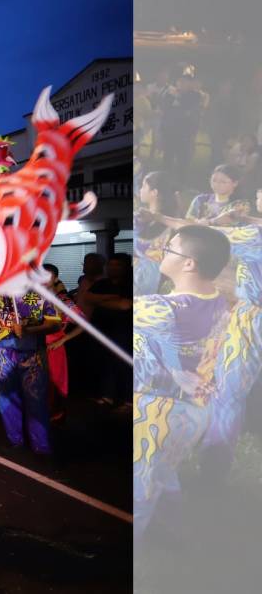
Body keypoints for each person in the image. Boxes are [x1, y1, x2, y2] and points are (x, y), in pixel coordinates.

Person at [133, 225, 231, 538]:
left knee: (141, 486)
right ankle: (175, 529)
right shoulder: (218, 301)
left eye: (170, 248)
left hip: (158, 412)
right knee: (162, 471)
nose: (163, 251)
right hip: (192, 412)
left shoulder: (161, 308)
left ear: (189, 263)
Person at [0, 290, 62, 454]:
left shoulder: (40, 294)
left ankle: (40, 444)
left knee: (36, 400)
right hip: (2, 352)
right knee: (6, 397)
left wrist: (29, 330)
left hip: (32, 353)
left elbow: (56, 323)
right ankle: (14, 439)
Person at [84, 253, 134, 407]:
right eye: (110, 265)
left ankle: (128, 400)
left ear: (126, 267)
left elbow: (125, 305)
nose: (112, 268)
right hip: (102, 330)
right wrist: (113, 299)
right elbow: (88, 298)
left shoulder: (132, 284)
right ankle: (107, 396)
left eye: (117, 265)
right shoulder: (102, 283)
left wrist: (101, 301)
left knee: (125, 364)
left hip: (124, 332)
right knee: (104, 363)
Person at [41, 265, 75, 425]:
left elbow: (84, 322)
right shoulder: (31, 298)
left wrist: (63, 339)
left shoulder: (64, 301)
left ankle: (55, 413)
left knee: (54, 383)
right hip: (34, 347)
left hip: (54, 348)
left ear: (55, 279)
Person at [186, 164, 251, 225]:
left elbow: (230, 219)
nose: (217, 185)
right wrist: (198, 222)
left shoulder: (242, 204)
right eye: (214, 180)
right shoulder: (200, 199)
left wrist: (209, 222)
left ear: (235, 183)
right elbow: (189, 219)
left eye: (223, 182)